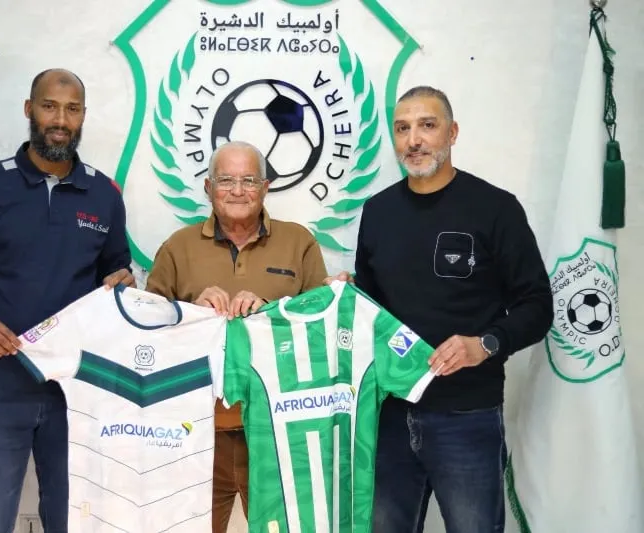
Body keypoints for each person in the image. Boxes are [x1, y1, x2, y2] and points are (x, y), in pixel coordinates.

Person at [332, 86, 553, 532]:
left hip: (467, 416)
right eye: (402, 129)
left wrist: (485, 344)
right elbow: (373, 312)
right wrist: (346, 296)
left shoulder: (495, 209)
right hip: (390, 414)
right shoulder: (377, 212)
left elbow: (538, 306)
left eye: (427, 126)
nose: (414, 139)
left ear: (452, 133)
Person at [0, 68, 134, 533]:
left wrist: (124, 281)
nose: (60, 120)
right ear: (29, 110)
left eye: (72, 109)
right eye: (49, 106)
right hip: (0, 388)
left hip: (77, 391)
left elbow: (117, 271)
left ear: (83, 116)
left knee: (73, 521)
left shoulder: (104, 194)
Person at [145, 140, 329, 532]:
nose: (238, 191)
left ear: (266, 187)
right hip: (193, 436)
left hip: (276, 435)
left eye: (249, 180)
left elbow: (322, 333)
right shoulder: (177, 248)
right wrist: (191, 314)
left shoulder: (299, 243)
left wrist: (271, 313)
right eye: (226, 180)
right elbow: (146, 340)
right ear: (208, 188)